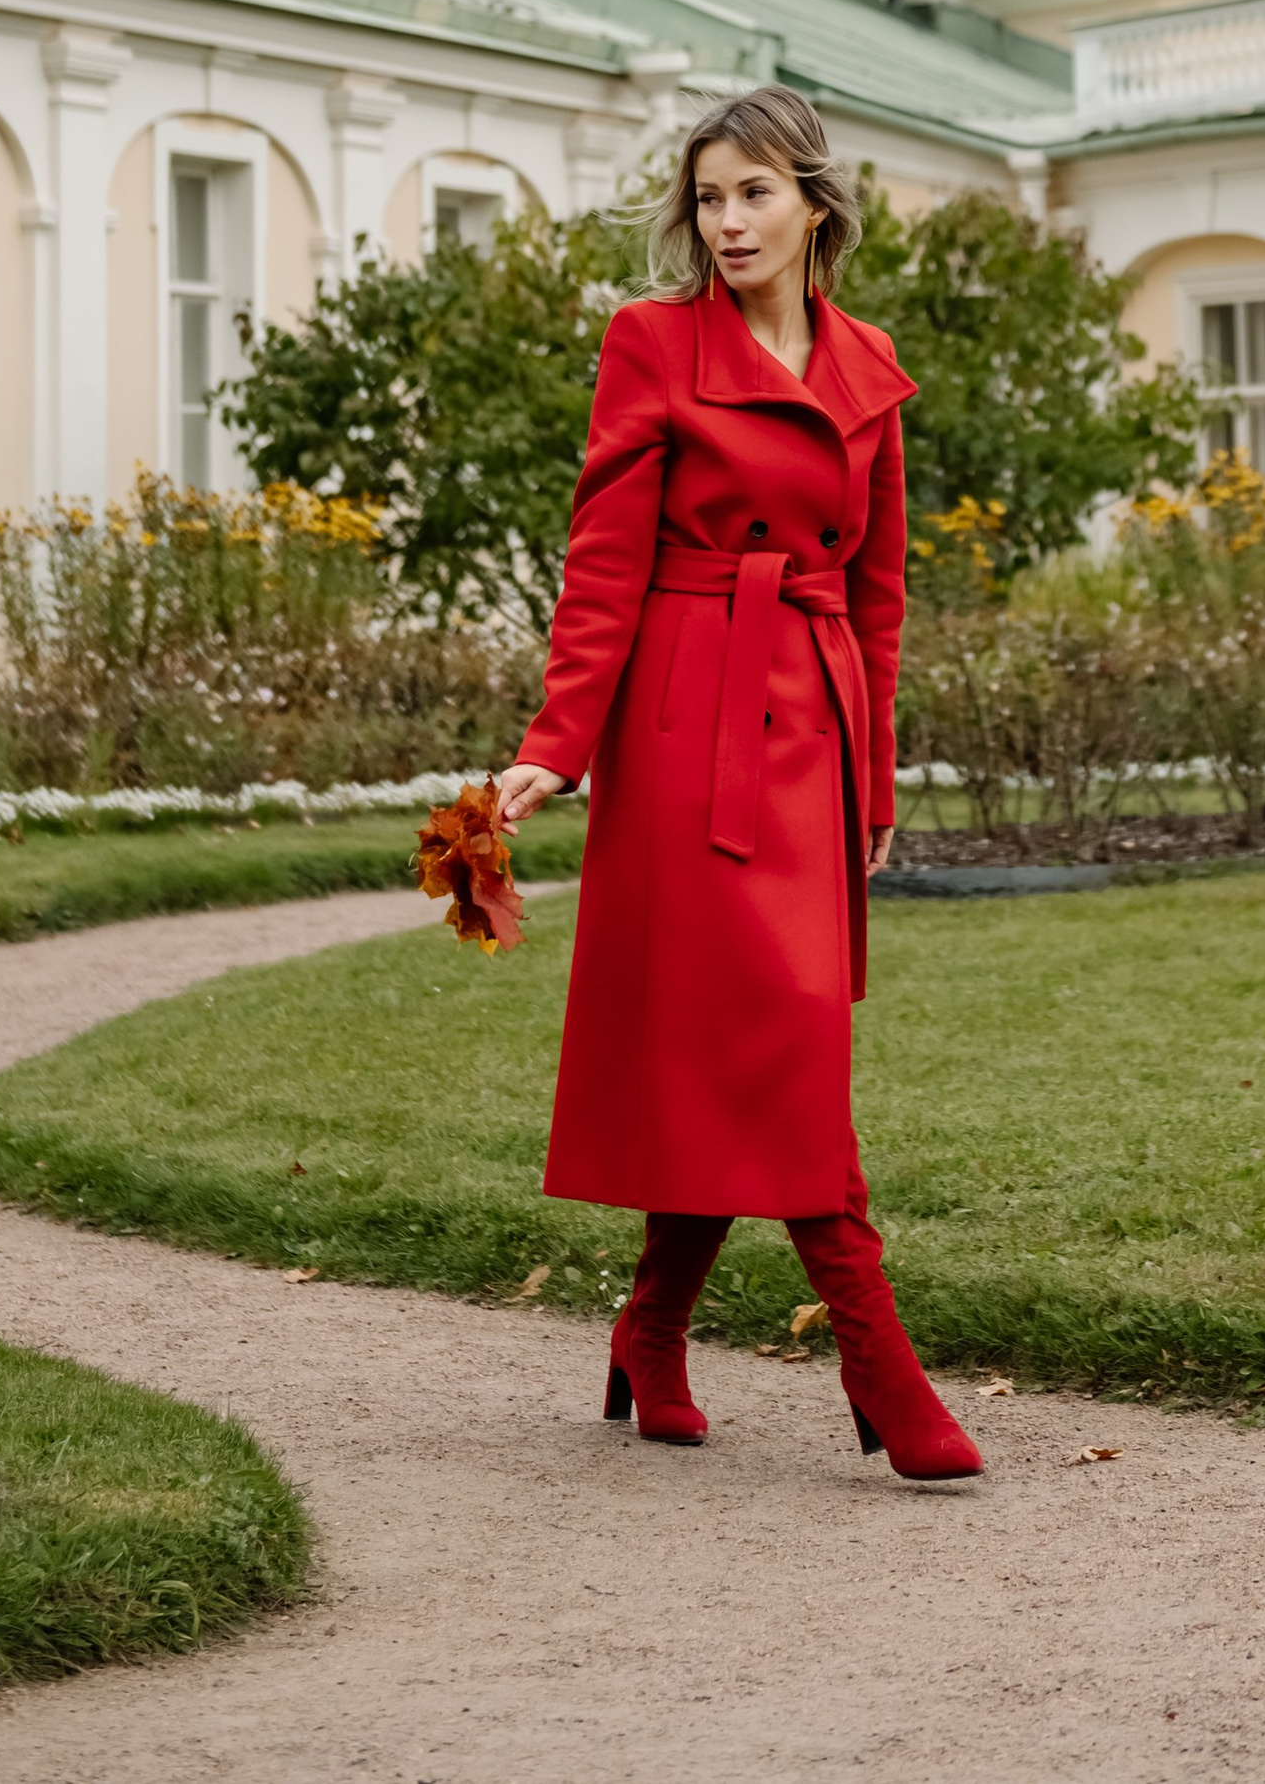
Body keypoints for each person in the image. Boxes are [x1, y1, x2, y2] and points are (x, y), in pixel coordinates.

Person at [493, 86, 982, 1482]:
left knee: (759, 1042)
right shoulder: (651, 345)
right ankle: (881, 1362)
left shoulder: (869, 364)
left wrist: (873, 781)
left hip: (815, 728)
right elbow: (603, 567)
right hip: (685, 729)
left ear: (813, 205)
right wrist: (555, 743)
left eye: (754, 194)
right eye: (709, 198)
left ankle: (651, 1328)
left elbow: (881, 596)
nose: (728, 222)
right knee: (772, 1044)